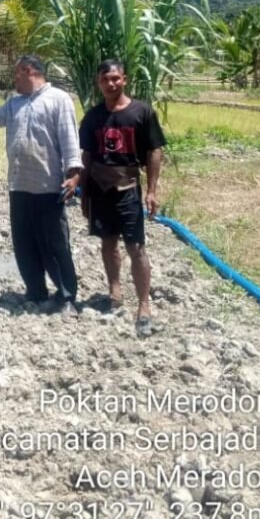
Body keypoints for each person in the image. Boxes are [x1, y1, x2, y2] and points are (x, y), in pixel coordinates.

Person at [0, 54, 84, 312]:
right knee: (25, 243)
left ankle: (66, 297)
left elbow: (70, 142)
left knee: (54, 243)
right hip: (18, 186)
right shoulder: (14, 103)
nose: (14, 79)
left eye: (16, 74)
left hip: (49, 187)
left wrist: (73, 176)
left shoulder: (58, 100)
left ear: (28, 71)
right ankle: (36, 292)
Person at [78, 60, 166, 337]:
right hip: (99, 189)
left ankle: (144, 305)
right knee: (107, 243)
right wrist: (84, 191)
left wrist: (151, 190)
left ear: (124, 79)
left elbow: (154, 151)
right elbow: (87, 156)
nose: (111, 84)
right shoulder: (92, 117)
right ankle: (114, 290)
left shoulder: (141, 112)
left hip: (128, 189)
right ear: (98, 82)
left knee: (136, 247)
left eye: (116, 78)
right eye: (106, 80)